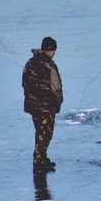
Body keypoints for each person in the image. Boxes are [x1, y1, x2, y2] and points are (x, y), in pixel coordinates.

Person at [22, 36, 64, 172]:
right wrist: (58, 102)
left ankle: (41, 157)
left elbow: (24, 83)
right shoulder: (50, 67)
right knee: (46, 133)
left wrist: (30, 98)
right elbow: (55, 87)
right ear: (52, 50)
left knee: (40, 131)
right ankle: (38, 160)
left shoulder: (30, 63)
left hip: (33, 105)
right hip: (46, 107)